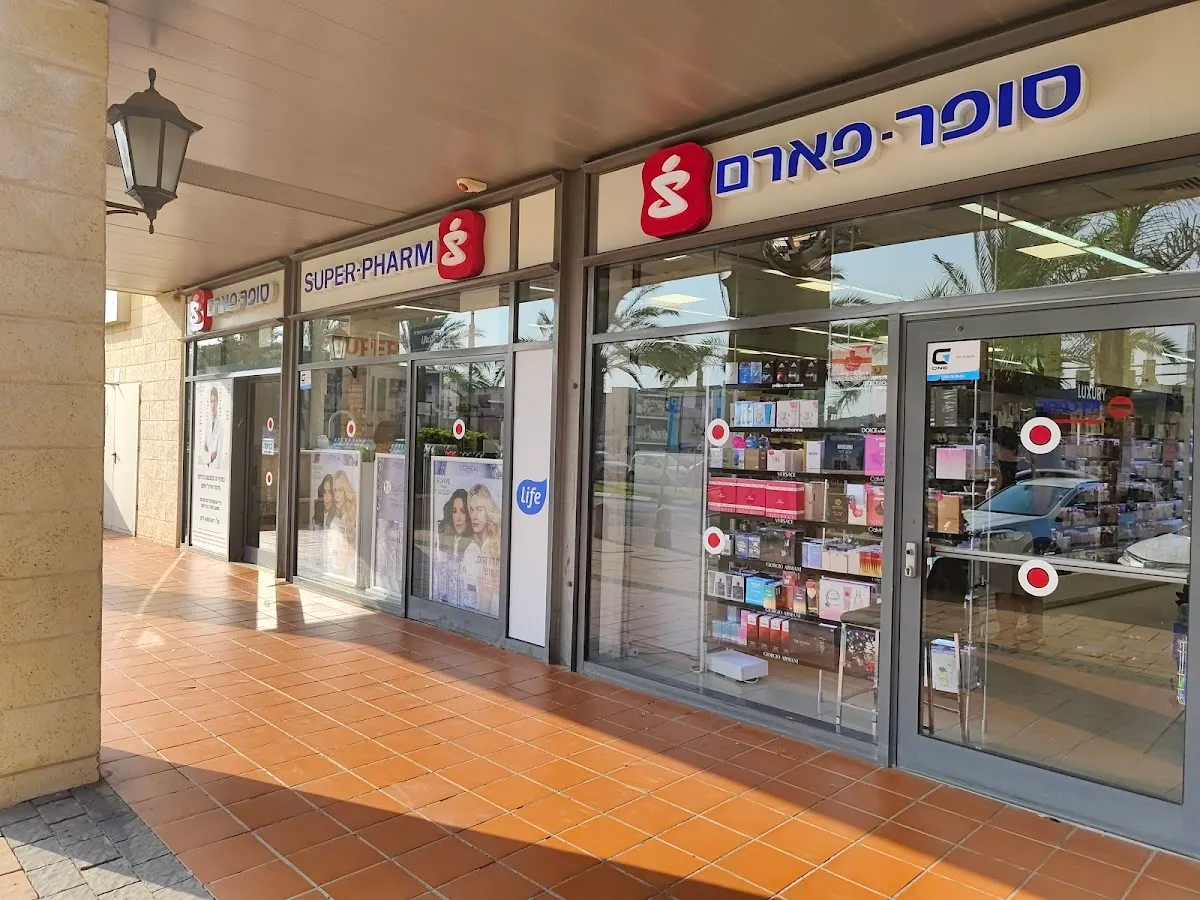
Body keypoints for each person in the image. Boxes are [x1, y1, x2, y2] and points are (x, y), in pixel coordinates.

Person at [461, 483, 502, 616]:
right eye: (471, 510)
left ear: (488, 511)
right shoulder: (471, 547)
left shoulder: (497, 546)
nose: (474, 516)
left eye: (479, 509)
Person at [436, 490, 471, 604]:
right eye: (454, 511)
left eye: (463, 511)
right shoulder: (446, 536)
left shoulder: (473, 543)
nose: (458, 518)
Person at [328, 470, 357, 578]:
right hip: (336, 572)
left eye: (340, 490)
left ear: (346, 492)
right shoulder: (334, 520)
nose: (336, 495)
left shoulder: (353, 517)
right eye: (335, 490)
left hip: (350, 573)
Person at [201, 387, 223, 468]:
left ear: (218, 403)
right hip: (206, 469)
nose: (213, 405)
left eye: (215, 401)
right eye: (211, 401)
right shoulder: (207, 424)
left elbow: (219, 454)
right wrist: (210, 457)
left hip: (216, 470)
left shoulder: (221, 425)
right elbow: (202, 452)